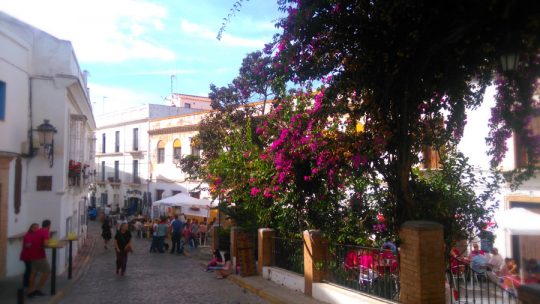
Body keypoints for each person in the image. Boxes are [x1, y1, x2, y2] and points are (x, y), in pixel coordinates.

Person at [28, 219, 51, 298]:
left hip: (32, 254)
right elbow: (45, 244)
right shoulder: (45, 231)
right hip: (39, 255)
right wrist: (48, 243)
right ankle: (38, 289)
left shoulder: (38, 230)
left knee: (33, 273)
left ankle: (30, 291)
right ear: (48, 226)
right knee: (47, 271)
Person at [20, 223, 38, 291]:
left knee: (30, 270)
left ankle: (28, 284)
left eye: (37, 228)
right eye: (35, 228)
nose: (36, 229)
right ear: (31, 228)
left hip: (32, 256)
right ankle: (26, 285)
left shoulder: (34, 235)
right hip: (27, 256)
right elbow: (28, 245)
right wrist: (35, 244)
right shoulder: (28, 235)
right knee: (29, 270)